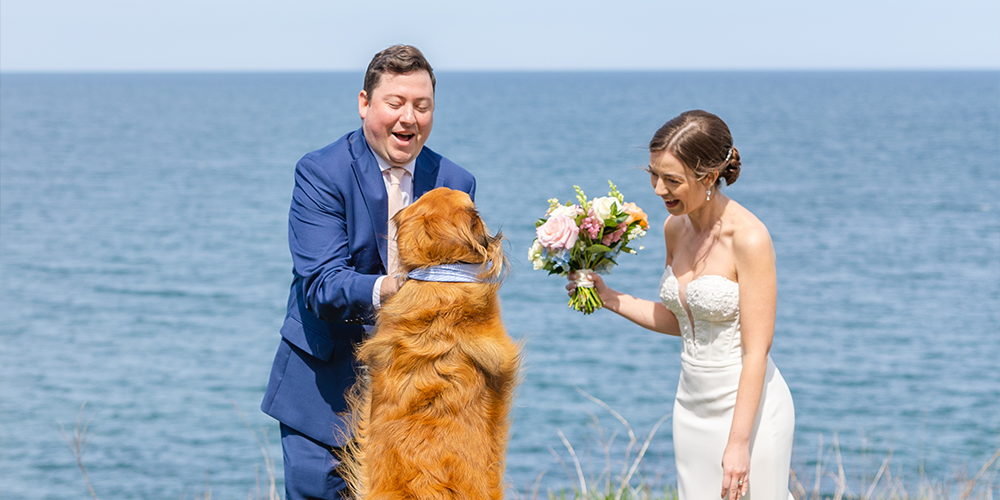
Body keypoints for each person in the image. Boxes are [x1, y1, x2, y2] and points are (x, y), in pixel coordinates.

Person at [261, 45, 476, 500]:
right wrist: (398, 289)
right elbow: (321, 283)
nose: (409, 118)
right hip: (325, 394)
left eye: (422, 106)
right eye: (395, 103)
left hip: (419, 401)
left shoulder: (457, 182)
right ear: (364, 103)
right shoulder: (321, 171)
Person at [568, 110, 795, 500]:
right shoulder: (675, 227)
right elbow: (684, 321)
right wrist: (609, 297)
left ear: (708, 177)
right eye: (653, 174)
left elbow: (757, 352)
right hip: (689, 407)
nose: (658, 189)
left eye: (671, 180)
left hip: (748, 413)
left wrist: (739, 444)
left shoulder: (751, 238)